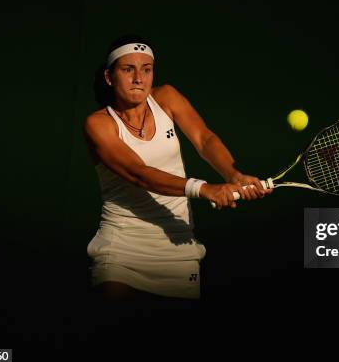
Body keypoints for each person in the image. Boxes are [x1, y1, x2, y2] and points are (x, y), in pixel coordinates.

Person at [83, 35, 271, 329]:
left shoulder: (167, 97)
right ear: (109, 76)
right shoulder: (98, 124)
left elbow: (204, 139)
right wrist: (204, 188)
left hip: (179, 248)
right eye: (127, 69)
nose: (138, 78)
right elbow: (137, 172)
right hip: (121, 250)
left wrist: (233, 175)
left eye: (146, 69)